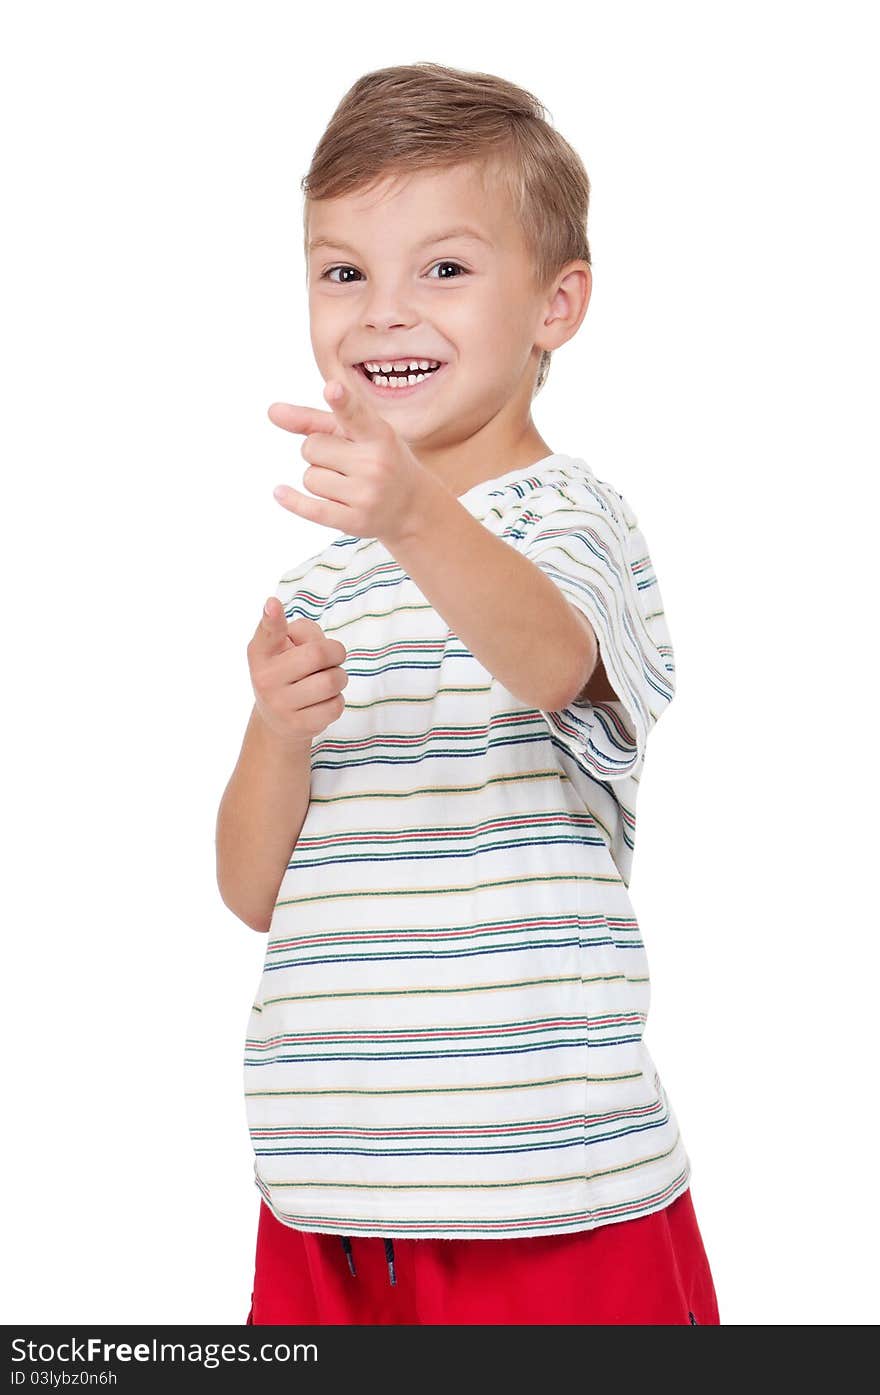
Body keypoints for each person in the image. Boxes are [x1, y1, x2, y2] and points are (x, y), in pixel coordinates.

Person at [215, 61, 720, 1326]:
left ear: (558, 305)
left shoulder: (573, 522)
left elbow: (551, 658)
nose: (384, 313)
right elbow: (249, 891)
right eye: (344, 272)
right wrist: (277, 732)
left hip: (549, 1190)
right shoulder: (325, 574)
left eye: (443, 269)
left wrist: (414, 517)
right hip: (330, 1193)